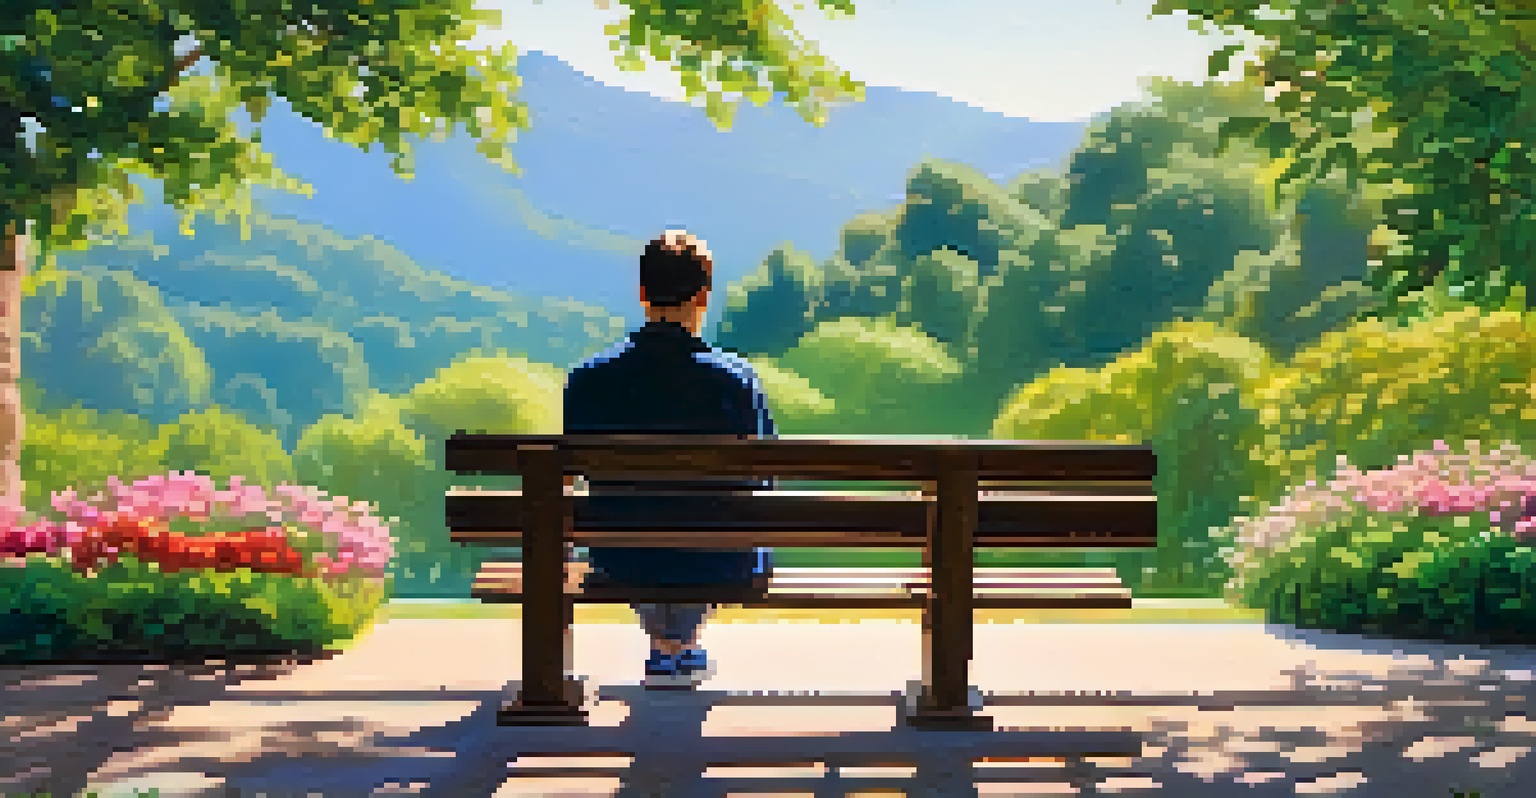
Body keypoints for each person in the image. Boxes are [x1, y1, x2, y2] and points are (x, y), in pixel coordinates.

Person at [563, 229, 776, 689]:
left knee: (644, 522)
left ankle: (668, 647)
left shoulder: (589, 380)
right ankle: (679, 645)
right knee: (709, 525)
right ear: (703, 296)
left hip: (619, 556)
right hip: (717, 560)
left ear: (642, 294)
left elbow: (576, 470)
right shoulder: (735, 381)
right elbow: (763, 476)